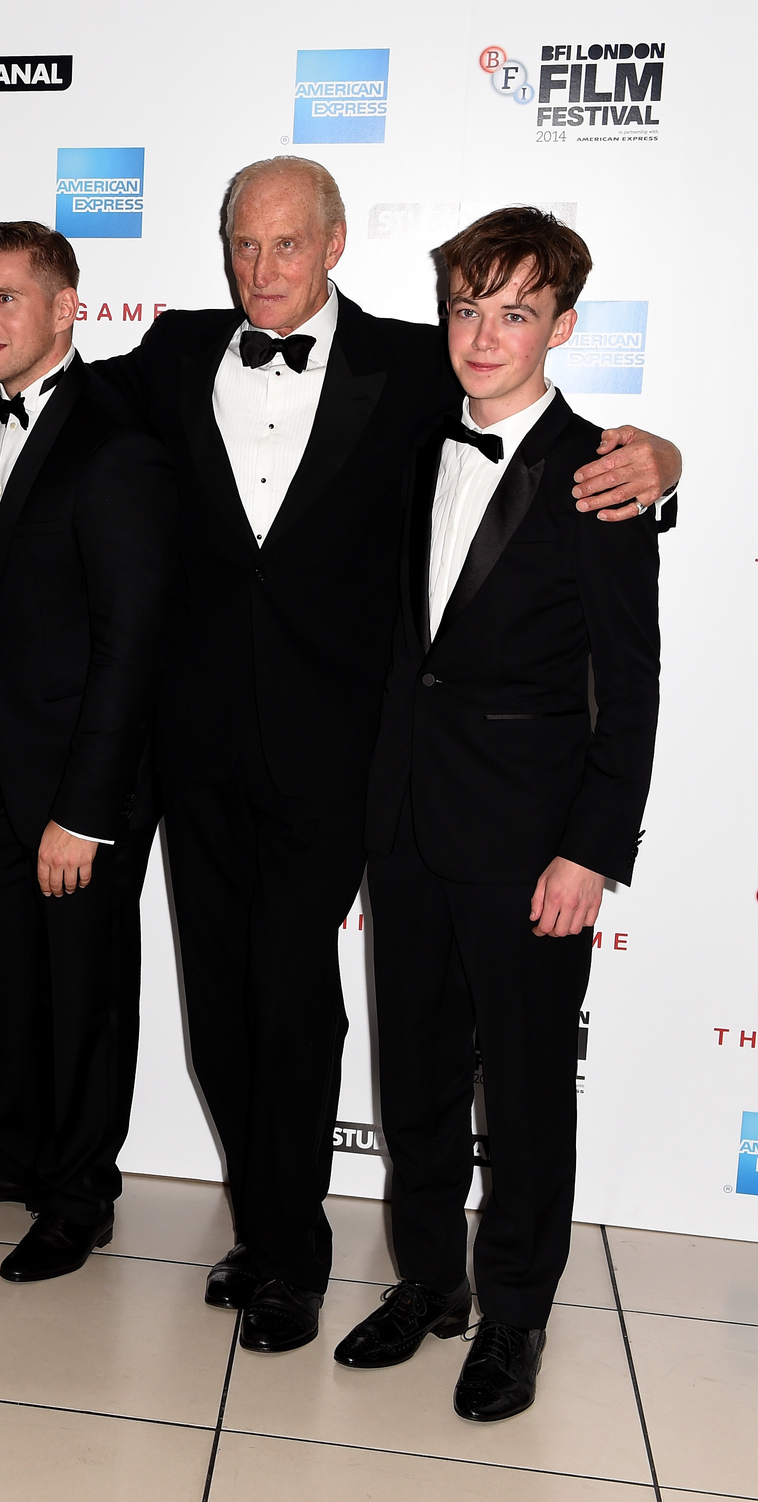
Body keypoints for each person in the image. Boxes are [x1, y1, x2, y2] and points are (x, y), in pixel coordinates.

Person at [91, 157, 678, 1353]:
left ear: (337, 242)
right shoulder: (188, 355)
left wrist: (664, 465)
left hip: (397, 790)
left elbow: (625, 657)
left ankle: (445, 1299)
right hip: (274, 776)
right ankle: (379, 1266)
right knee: (326, 1046)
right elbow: (47, 390)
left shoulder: (434, 382)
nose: (262, 270)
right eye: (242, 244)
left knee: (439, 1059)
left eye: (287, 245)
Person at [334, 208, 657, 1421]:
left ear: (561, 326)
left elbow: (630, 685)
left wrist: (591, 848)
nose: (482, 332)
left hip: (531, 843)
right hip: (405, 819)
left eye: (513, 310)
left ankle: (512, 1311)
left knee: (521, 1087)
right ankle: (428, 1280)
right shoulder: (413, 444)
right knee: (411, 1070)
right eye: (466, 306)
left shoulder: (603, 472)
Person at [0, 223, 175, 1283]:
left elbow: (130, 642)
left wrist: (87, 807)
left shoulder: (116, 438)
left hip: (77, 775)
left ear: (67, 308)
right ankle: (20, 1151)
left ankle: (80, 1193)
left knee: (84, 990)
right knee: (8, 975)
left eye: (7, 299)